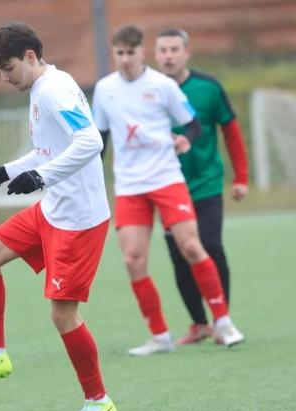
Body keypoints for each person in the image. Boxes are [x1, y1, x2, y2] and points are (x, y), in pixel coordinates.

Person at [0, 22, 117, 411]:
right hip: (53, 208)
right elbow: (47, 151)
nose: (5, 79)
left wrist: (42, 178)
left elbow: (91, 141)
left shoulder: (54, 89)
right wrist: (1, 171)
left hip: (78, 220)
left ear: (29, 57)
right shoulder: (42, 87)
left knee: (62, 316)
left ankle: (99, 401)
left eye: (7, 69)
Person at [92, 25, 244, 356]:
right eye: (119, 53)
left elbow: (193, 123)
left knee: (191, 245)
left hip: (166, 178)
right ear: (114, 53)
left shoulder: (162, 86)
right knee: (133, 260)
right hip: (130, 185)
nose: (125, 59)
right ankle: (160, 336)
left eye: (131, 53)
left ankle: (222, 322)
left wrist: (185, 139)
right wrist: (89, 178)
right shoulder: (104, 89)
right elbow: (99, 139)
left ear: (142, 53)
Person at [155, 28, 250, 345]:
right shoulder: (148, 91)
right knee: (179, 255)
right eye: (163, 50)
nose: (168, 55)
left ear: (186, 53)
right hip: (165, 186)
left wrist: (241, 178)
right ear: (155, 56)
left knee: (210, 245)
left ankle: (221, 319)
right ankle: (199, 324)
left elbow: (231, 132)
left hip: (206, 184)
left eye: (174, 49)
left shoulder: (208, 88)